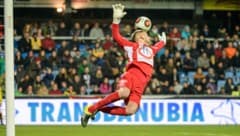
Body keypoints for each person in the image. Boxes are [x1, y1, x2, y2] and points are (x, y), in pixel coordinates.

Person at [81, 3, 166, 127]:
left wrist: (163, 41)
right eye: (138, 33)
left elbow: (159, 45)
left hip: (141, 84)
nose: (142, 34)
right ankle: (91, 109)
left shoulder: (151, 50)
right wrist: (116, 20)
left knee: (131, 110)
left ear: (148, 38)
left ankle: (98, 108)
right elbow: (116, 36)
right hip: (131, 75)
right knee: (124, 93)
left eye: (144, 33)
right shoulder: (132, 47)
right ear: (135, 38)